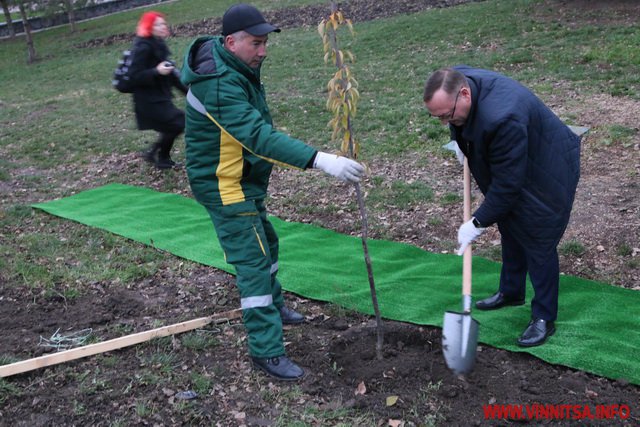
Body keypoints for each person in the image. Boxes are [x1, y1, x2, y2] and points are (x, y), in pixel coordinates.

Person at [180, 3, 364, 380]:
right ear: (231, 41)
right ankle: (266, 349)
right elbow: (257, 135)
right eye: (256, 44)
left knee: (269, 241)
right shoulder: (217, 83)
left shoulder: (234, 66)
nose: (263, 51)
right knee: (253, 261)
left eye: (265, 44)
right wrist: (320, 160)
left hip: (242, 177)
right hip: (223, 183)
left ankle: (275, 305)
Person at [423, 66, 580, 347]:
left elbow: (508, 186)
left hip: (547, 167)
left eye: (447, 116)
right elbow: (504, 186)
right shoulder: (455, 80)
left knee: (537, 237)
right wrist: (459, 140)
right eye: (438, 117)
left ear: (465, 94)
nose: (444, 121)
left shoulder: (502, 118)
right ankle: (511, 290)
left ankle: (544, 317)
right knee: (510, 224)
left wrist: (477, 222)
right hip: (518, 155)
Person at [129, 11, 187, 169]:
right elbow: (134, 76)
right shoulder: (143, 47)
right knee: (179, 123)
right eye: (158, 24)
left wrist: (189, 92)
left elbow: (170, 74)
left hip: (160, 98)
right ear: (149, 27)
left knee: (175, 124)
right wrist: (156, 71)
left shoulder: (158, 44)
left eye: (163, 23)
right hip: (148, 101)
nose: (163, 26)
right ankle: (160, 156)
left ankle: (155, 154)